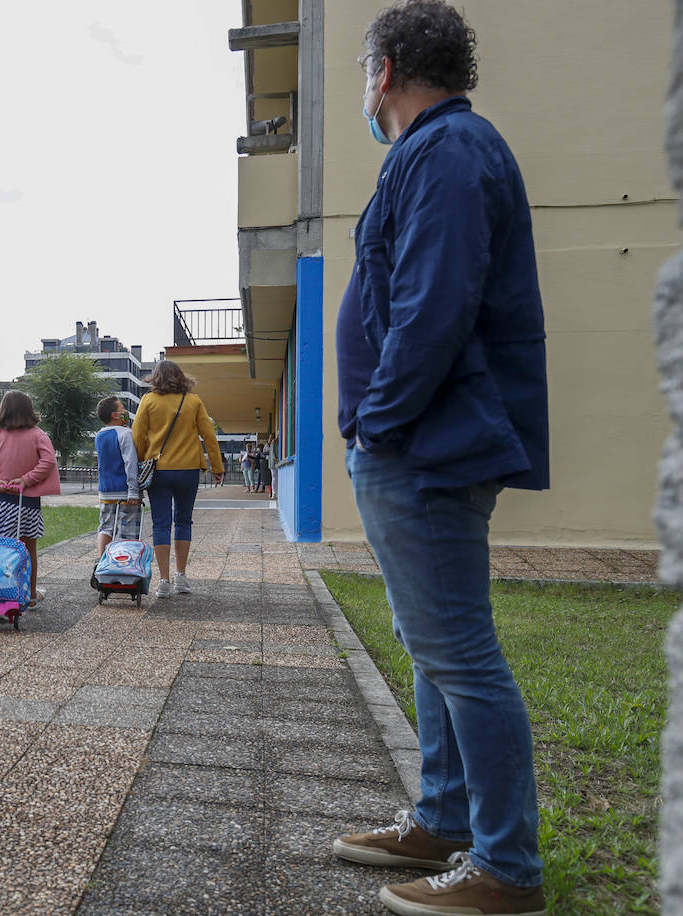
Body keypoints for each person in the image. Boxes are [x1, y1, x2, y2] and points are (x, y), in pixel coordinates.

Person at [330, 4, 549, 914]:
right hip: (419, 440)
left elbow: (433, 306)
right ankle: (444, 817)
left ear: (383, 71)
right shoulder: (430, 154)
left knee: (457, 650)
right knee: (432, 645)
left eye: (362, 72)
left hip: (424, 444)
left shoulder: (448, 151)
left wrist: (377, 424)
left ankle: (505, 868)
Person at [131, 360, 224, 598]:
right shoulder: (193, 401)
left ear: (156, 377)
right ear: (181, 377)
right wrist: (217, 466)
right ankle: (182, 577)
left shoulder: (149, 401)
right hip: (189, 470)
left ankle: (163, 580)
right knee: (184, 521)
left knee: (161, 523)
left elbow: (138, 437)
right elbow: (209, 435)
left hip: (159, 471)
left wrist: (139, 465)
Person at [0, 390, 60, 606]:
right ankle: (29, 593)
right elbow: (48, 461)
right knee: (28, 548)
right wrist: (26, 480)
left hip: (1, 502)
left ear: (3, 410)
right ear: (29, 410)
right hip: (28, 501)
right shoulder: (38, 434)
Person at [93, 396, 141, 553]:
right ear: (115, 415)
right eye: (122, 408)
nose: (125, 411)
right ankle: (126, 563)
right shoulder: (126, 434)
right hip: (125, 491)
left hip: (106, 491)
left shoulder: (99, 435)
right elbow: (130, 463)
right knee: (129, 530)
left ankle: (101, 561)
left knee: (106, 527)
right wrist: (134, 490)